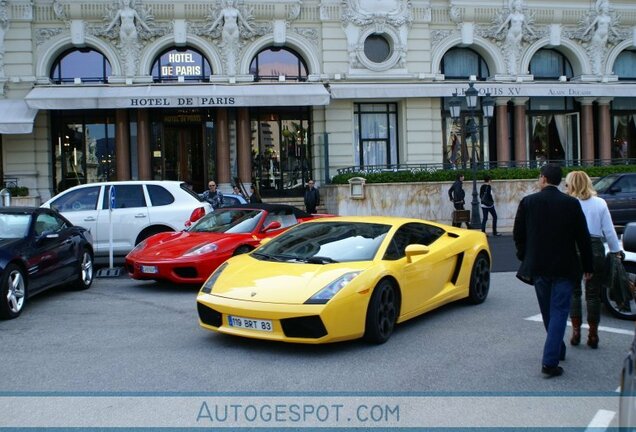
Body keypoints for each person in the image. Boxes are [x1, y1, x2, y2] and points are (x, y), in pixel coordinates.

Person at [513, 164, 594, 377]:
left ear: (542, 179)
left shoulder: (528, 202)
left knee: (549, 312)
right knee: (559, 311)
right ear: (558, 181)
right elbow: (583, 238)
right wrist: (588, 266)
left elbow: (518, 234)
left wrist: (524, 256)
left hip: (538, 266)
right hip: (565, 266)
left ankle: (551, 359)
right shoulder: (571, 204)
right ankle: (555, 352)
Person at [564, 171, 622, 349]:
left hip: (572, 248)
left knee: (574, 291)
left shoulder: (567, 203)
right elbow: (609, 231)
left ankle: (575, 333)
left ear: (571, 184)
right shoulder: (600, 203)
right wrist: (616, 251)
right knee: (593, 293)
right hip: (595, 247)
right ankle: (593, 334)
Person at [496, 0, 534, 75]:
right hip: (511, 33)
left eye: (520, 5)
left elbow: (526, 26)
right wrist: (498, 31)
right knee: (511, 50)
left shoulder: (522, 16)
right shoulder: (511, 15)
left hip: (519, 33)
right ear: (514, 7)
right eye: (517, 5)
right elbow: (505, 23)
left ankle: (514, 69)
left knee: (517, 50)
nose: (519, 7)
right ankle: (511, 70)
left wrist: (532, 33)